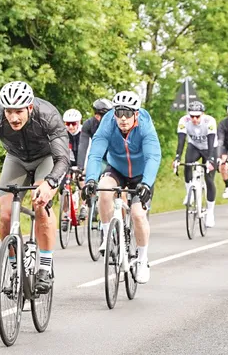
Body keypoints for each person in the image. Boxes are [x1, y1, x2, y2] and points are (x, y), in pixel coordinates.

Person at [0, 81, 72, 292]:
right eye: (9, 112)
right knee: (6, 215)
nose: (14, 117)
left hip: (47, 159)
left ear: (30, 108)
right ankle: (16, 269)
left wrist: (49, 183)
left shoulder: (48, 115)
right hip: (16, 158)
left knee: (41, 206)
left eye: (19, 111)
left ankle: (45, 266)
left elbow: (62, 159)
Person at [84, 91, 162, 282]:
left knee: (137, 214)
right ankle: (106, 235)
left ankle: (143, 260)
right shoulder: (108, 122)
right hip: (117, 169)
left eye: (128, 113)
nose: (123, 118)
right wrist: (90, 179)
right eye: (119, 113)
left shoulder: (145, 125)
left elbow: (153, 157)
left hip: (141, 174)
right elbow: (95, 154)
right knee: (103, 188)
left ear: (136, 113)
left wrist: (146, 183)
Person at [172, 100, 219, 227]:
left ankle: (210, 213)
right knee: (187, 165)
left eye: (197, 116)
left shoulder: (210, 121)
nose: (194, 119)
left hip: (210, 148)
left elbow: (211, 140)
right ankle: (189, 194)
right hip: (194, 146)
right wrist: (177, 158)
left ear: (202, 114)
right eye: (191, 116)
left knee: (209, 179)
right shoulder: (184, 121)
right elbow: (181, 141)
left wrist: (210, 160)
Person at [77, 98, 112, 169]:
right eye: (97, 115)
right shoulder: (88, 124)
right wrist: (80, 167)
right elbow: (83, 146)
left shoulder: (116, 124)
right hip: (100, 158)